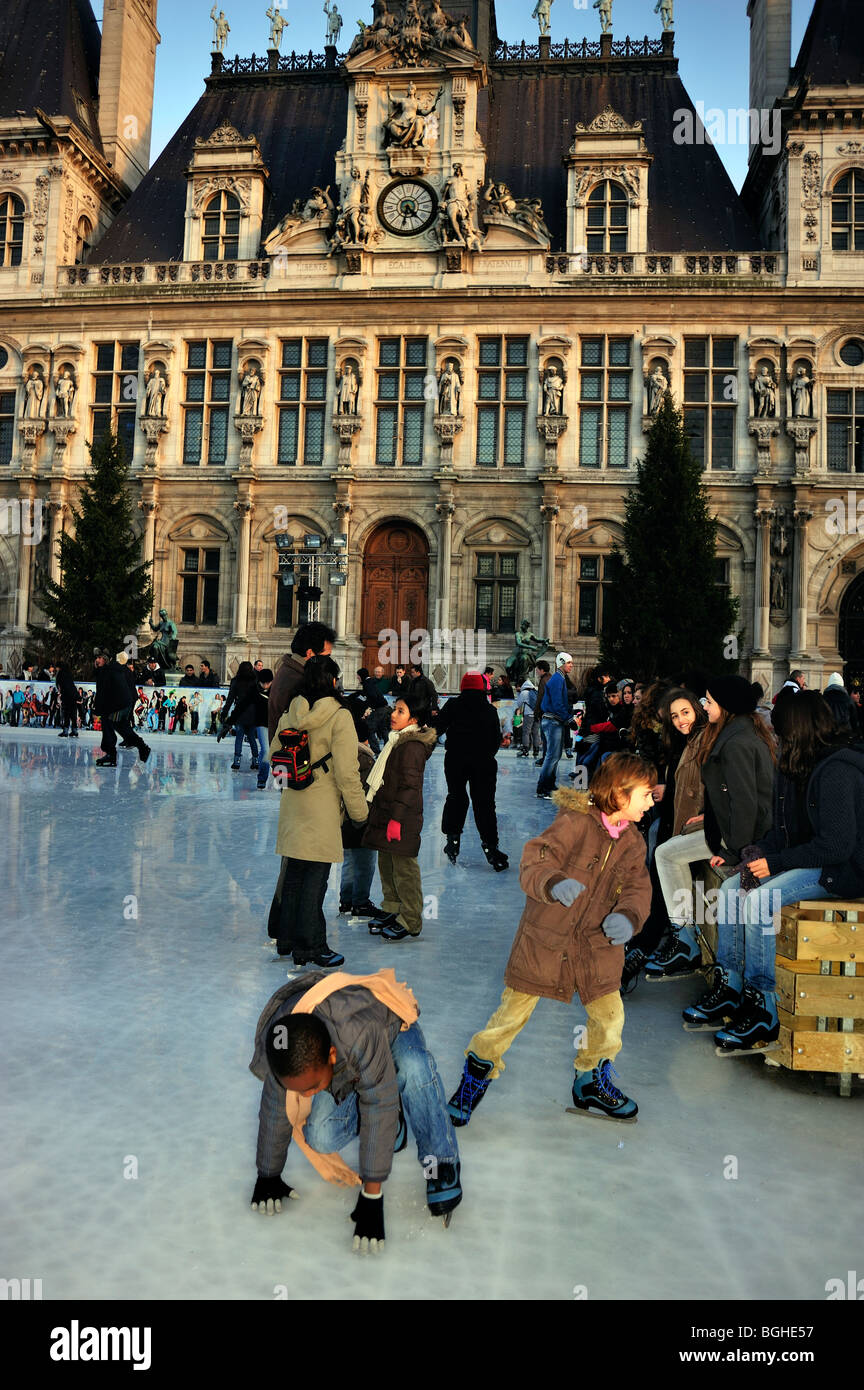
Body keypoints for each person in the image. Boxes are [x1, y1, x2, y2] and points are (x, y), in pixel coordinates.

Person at [447, 754, 655, 1127]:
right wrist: (554, 882)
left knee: (610, 1019)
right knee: (508, 1018)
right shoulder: (575, 822)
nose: (652, 801)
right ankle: (473, 1079)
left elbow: (638, 887)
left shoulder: (634, 842)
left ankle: (591, 1080)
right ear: (619, 794)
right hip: (545, 940)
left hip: (597, 948)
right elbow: (536, 858)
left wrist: (628, 915)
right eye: (645, 794)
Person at [685, 692, 864, 1053]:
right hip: (814, 858)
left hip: (841, 870)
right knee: (736, 886)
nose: (776, 740)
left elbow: (837, 846)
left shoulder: (837, 771)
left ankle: (763, 1004)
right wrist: (758, 852)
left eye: (780, 733)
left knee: (762, 899)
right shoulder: (799, 767)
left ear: (795, 731)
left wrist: (777, 862)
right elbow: (788, 834)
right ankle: (731, 986)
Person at [248, 966, 462, 1246]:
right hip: (347, 1059)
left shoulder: (360, 1033)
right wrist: (268, 1174)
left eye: (311, 1088)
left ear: (331, 1056)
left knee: (413, 1067)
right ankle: (394, 1118)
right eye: (299, 1090)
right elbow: (275, 1109)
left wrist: (371, 1196)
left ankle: (441, 1162)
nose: (306, 1095)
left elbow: (378, 1103)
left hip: (389, 1027)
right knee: (320, 1137)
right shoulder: (281, 1050)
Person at [648, 675, 775, 982]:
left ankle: (685, 938)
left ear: (725, 706)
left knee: (665, 855)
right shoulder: (733, 734)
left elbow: (745, 803)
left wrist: (731, 852)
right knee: (665, 852)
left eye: (709, 701)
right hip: (722, 829)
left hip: (737, 839)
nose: (705, 705)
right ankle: (684, 937)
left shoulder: (736, 743)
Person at [270, 655, 369, 966]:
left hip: (293, 802)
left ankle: (286, 940)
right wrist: (360, 813)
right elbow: (347, 772)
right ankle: (311, 946)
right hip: (322, 807)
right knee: (315, 879)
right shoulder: (340, 716)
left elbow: (274, 752)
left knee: (294, 876)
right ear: (334, 681)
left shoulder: (292, 709)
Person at [621, 688, 708, 992]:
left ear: (698, 708)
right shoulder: (686, 741)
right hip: (679, 824)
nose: (681, 719)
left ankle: (659, 943)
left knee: (661, 863)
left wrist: (706, 818)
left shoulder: (704, 741)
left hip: (698, 832)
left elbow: (709, 790)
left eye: (685, 712)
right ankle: (646, 942)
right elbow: (683, 786)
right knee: (656, 868)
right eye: (675, 715)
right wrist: (665, 791)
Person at [361, 690, 438, 941]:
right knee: (387, 864)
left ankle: (411, 919)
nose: (393, 714)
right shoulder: (396, 740)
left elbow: (410, 786)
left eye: (400, 711)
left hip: (401, 817)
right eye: (395, 709)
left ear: (413, 720)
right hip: (387, 811)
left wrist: (396, 819)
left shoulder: (412, 747)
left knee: (404, 869)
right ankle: (392, 908)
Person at [436, 672, 509, 870]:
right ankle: (491, 848)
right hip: (482, 763)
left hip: (455, 760)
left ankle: (452, 841)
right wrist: (485, 754)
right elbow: (496, 739)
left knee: (456, 797)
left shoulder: (452, 705)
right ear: (481, 688)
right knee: (484, 804)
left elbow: (437, 729)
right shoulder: (488, 709)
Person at [338, 706, 387, 922]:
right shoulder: (365, 759)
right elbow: (367, 791)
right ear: (366, 739)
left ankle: (346, 900)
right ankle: (360, 902)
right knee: (365, 863)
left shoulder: (344, 754)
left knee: (349, 860)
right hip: (361, 819)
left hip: (344, 820)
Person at [269, 621, 336, 743]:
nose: (328, 662)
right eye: (326, 657)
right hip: (297, 755)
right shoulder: (299, 680)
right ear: (310, 653)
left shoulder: (289, 670)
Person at [93, 651, 151, 767]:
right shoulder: (115, 669)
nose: (97, 660)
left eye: (99, 658)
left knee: (108, 724)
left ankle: (111, 755)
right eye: (96, 658)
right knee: (122, 727)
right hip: (122, 704)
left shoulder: (108, 671)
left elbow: (102, 693)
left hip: (117, 705)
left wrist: (97, 711)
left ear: (105, 659)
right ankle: (143, 747)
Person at [536, 652, 573, 799]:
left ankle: (548, 785)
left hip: (553, 720)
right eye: (569, 663)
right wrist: (568, 718)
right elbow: (557, 703)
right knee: (552, 755)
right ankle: (543, 787)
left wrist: (568, 715)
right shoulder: (558, 679)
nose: (571, 665)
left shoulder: (559, 678)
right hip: (553, 721)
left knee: (554, 755)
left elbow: (559, 702)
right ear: (562, 662)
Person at [219, 661, 260, 771]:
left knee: (239, 736)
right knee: (251, 737)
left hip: (240, 712)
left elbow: (230, 699)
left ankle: (237, 761)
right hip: (252, 712)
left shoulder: (235, 681)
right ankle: (256, 761)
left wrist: (224, 713)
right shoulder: (255, 681)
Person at [253, 668, 273, 790]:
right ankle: (262, 779)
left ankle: (282, 781)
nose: (265, 685)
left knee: (277, 752)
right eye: (263, 683)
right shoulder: (254, 691)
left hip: (276, 723)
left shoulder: (277, 691)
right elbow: (242, 705)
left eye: (268, 683)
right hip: (262, 724)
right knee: (266, 751)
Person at [514, 677, 541, 758]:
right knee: (535, 733)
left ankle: (525, 750)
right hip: (537, 714)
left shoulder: (524, 693)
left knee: (526, 732)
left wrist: (519, 694)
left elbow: (518, 704)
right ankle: (536, 750)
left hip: (528, 715)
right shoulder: (535, 690)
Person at [56, 663, 79, 738]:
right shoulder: (69, 674)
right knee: (73, 713)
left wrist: (60, 693)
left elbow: (59, 685)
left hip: (66, 695)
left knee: (66, 713)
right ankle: (74, 730)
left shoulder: (60, 674)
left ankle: (65, 731)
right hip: (73, 694)